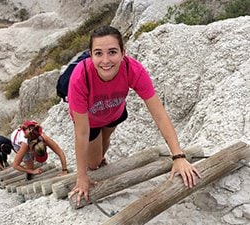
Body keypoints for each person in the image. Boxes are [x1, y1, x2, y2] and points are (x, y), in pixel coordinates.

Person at [68, 25, 201, 204]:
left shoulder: (132, 69)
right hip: (89, 120)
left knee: (104, 142)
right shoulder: (80, 77)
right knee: (93, 163)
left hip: (114, 112)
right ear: (90, 55)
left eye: (112, 52)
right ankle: (96, 162)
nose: (106, 60)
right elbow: (82, 133)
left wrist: (178, 156)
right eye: (98, 53)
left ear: (123, 53)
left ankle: (101, 157)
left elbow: (160, 115)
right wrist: (82, 176)